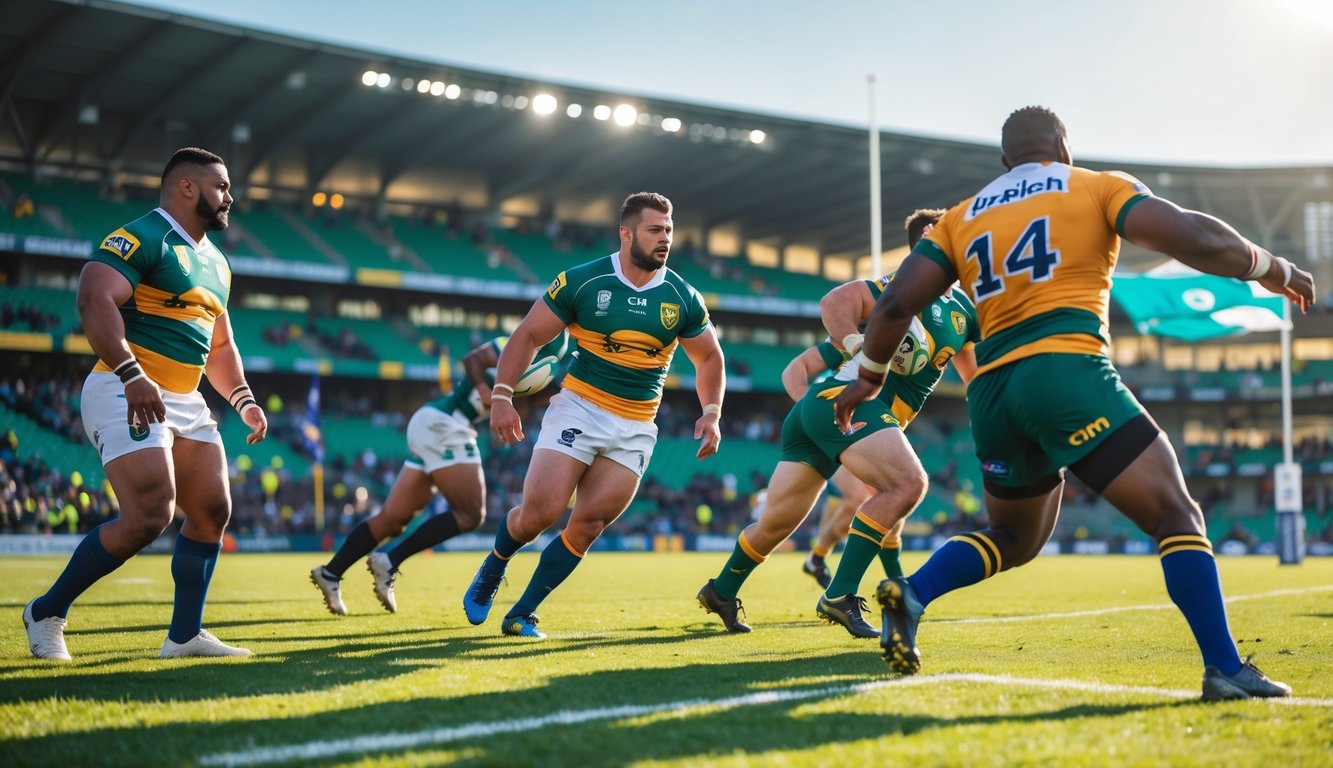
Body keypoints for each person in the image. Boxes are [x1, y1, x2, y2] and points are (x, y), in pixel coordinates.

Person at [835, 106, 1314, 700]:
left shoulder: (959, 219)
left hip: (992, 393)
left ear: (1005, 159)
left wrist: (869, 376)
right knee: (1176, 515)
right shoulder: (1095, 185)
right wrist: (1272, 267)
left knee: (1014, 538)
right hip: (1065, 369)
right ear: (1063, 145)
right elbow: (1191, 236)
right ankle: (1224, 667)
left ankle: (911, 593)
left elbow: (892, 306)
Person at [22, 147, 267, 660]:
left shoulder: (216, 262)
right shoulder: (142, 235)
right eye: (221, 187)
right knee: (151, 513)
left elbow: (219, 344)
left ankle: (184, 637)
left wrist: (243, 400)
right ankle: (47, 611)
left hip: (185, 396)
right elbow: (93, 297)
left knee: (212, 510)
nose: (230, 197)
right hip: (122, 385)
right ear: (187, 187)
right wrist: (133, 373)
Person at [697, 209, 978, 638]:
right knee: (907, 484)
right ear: (930, 235)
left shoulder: (963, 310)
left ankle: (721, 590)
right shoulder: (904, 283)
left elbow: (977, 377)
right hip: (845, 404)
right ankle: (841, 593)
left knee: (776, 524)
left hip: (826, 412)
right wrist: (857, 344)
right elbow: (834, 303)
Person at [463, 191, 725, 639]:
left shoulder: (683, 296)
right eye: (654, 230)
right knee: (538, 515)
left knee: (588, 524)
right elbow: (526, 335)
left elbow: (710, 359)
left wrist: (712, 411)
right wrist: (502, 396)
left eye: (669, 230)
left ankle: (522, 612)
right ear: (627, 234)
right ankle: (495, 564)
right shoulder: (583, 281)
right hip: (579, 408)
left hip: (637, 425)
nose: (665, 239)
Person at [309, 331, 570, 614]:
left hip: (438, 424)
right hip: (447, 425)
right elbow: (473, 360)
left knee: (393, 520)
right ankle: (389, 561)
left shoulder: (553, 356)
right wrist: (485, 389)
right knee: (471, 514)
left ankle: (331, 573)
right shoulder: (521, 339)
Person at [793, 209, 951, 589]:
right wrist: (808, 409)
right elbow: (795, 370)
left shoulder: (951, 312)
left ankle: (826, 566)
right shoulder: (877, 315)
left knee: (892, 505)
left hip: (887, 425)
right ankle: (836, 576)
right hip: (848, 422)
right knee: (879, 497)